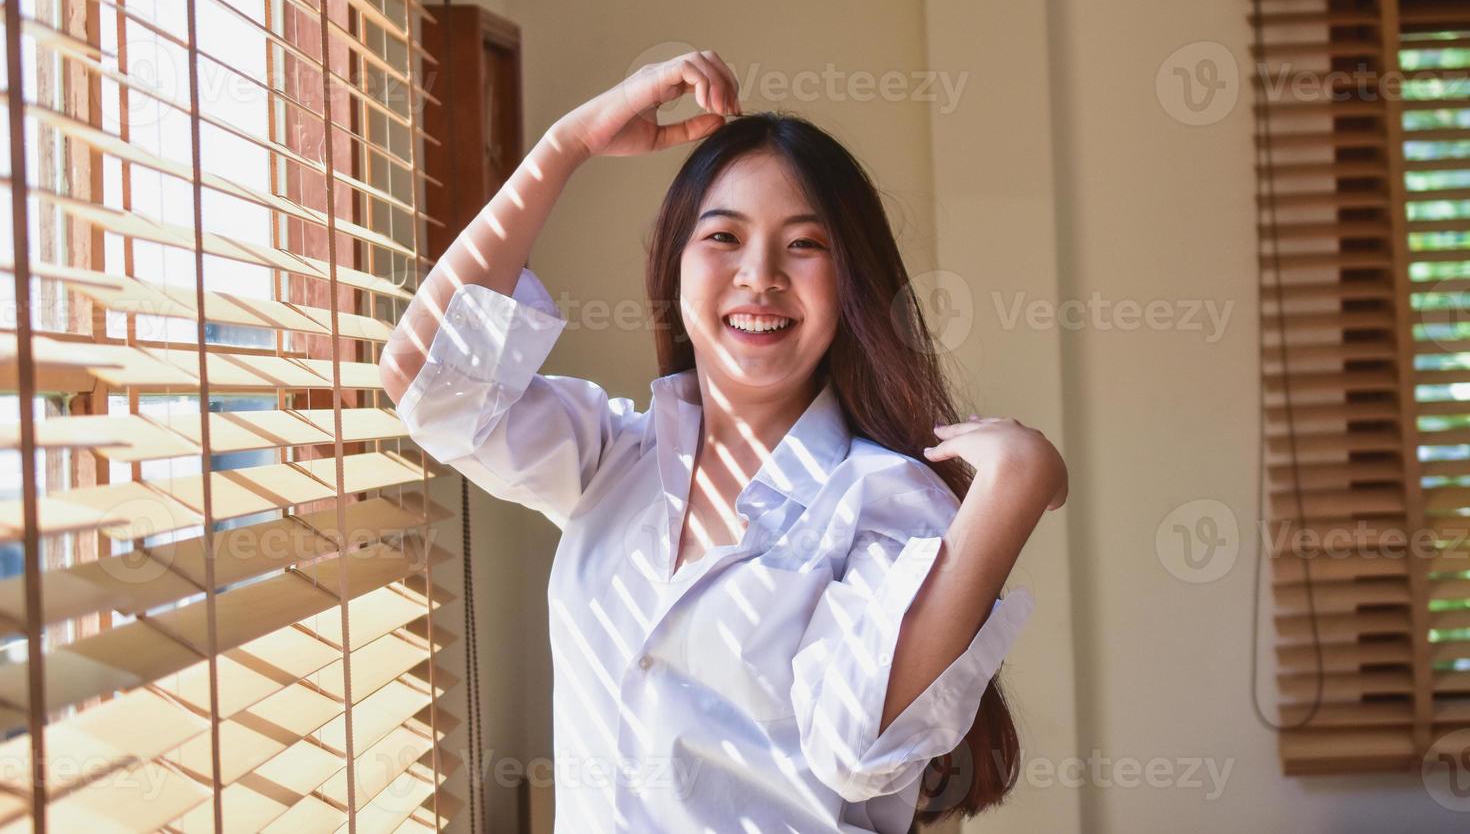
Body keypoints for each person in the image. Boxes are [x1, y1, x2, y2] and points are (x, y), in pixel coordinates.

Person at [379, 50, 1069, 833]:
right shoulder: (614, 460)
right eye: (723, 237)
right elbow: (425, 383)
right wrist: (567, 144)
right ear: (676, 264)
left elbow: (855, 745)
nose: (759, 274)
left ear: (852, 284)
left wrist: (1015, 481)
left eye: (805, 245)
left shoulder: (881, 500)